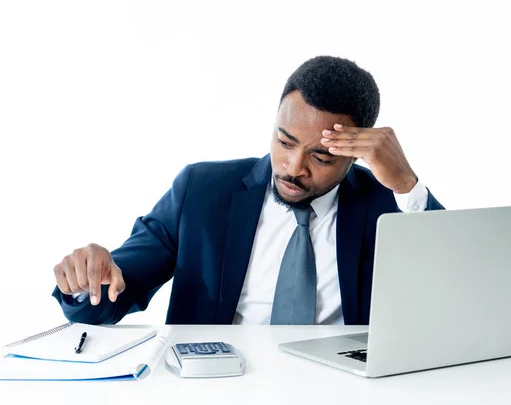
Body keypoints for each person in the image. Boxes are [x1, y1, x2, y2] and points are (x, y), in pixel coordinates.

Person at [52, 55, 444, 326]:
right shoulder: (202, 192)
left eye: (321, 158)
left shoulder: (385, 203)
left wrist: (407, 186)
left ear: (354, 155)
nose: (293, 168)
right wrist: (89, 282)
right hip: (221, 386)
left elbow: (456, 292)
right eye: (285, 142)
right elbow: (113, 296)